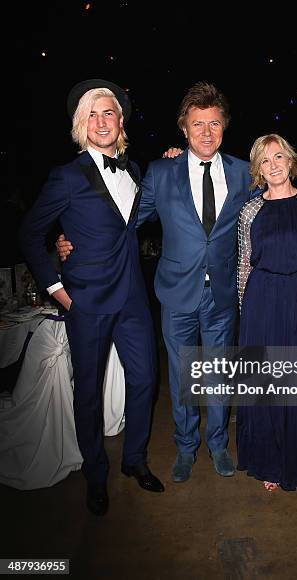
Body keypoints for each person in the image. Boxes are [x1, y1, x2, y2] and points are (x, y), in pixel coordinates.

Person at [57, 82, 256, 483]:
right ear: (184, 128)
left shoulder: (241, 173)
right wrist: (67, 241)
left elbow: (268, 209)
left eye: (214, 123)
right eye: (197, 124)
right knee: (183, 378)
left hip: (220, 295)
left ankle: (217, 443)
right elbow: (125, 220)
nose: (206, 132)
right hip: (176, 293)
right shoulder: (161, 172)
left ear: (224, 127)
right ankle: (186, 446)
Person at [19, 79, 164, 516]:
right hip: (86, 301)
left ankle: (134, 459)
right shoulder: (66, 176)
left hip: (134, 300)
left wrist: (173, 160)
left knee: (144, 382)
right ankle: (95, 476)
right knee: (88, 393)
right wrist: (59, 290)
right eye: (93, 115)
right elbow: (29, 234)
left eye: (109, 113)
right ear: (82, 125)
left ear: (120, 123)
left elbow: (134, 221)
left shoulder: (136, 170)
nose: (102, 121)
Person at [236, 134, 297, 491]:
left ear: (291, 161)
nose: (273, 165)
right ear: (258, 169)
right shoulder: (250, 211)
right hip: (262, 301)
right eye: (265, 160)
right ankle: (270, 460)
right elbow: (244, 266)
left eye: (278, 157)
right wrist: (247, 313)